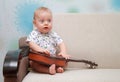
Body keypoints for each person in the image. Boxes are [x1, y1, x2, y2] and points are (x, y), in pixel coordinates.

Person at [26, 7, 70, 75]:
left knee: (65, 62)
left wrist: (63, 52)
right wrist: (40, 49)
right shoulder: (34, 33)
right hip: (39, 59)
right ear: (35, 23)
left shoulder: (53, 34)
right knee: (33, 64)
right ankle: (48, 70)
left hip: (52, 60)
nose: (46, 23)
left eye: (49, 21)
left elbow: (61, 43)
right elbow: (31, 43)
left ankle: (57, 68)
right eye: (42, 21)